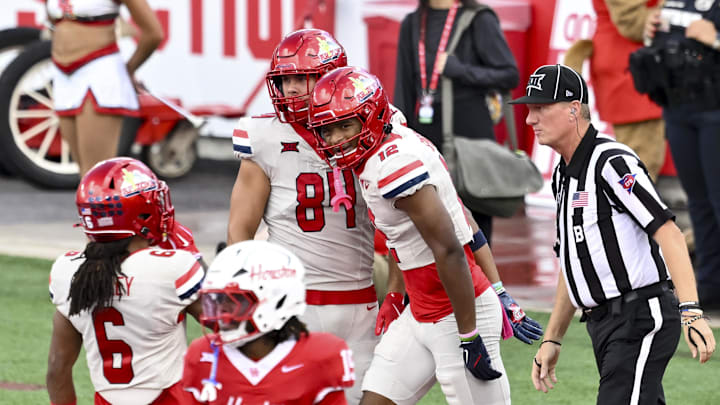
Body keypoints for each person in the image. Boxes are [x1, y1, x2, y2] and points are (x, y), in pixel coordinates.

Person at [507, 64, 716, 403]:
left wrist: (691, 311)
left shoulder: (611, 161)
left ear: (574, 109)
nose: (530, 119)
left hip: (639, 317)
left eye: (540, 108)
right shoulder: (563, 174)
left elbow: (669, 233)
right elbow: (571, 262)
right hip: (603, 324)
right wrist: (553, 338)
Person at [308, 66, 510, 405]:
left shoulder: (393, 166)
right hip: (420, 310)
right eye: (328, 129)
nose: (336, 139)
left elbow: (449, 248)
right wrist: (396, 293)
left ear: (371, 119)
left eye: (346, 126)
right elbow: (405, 236)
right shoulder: (391, 135)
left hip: (454, 311)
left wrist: (469, 332)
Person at [227, 28, 407, 404]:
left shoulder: (374, 123)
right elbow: (240, 230)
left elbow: (401, 225)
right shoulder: (264, 136)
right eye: (284, 79)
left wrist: (395, 291)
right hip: (291, 300)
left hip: (360, 302)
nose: (290, 89)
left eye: (300, 77)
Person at [46, 157, 205, 405]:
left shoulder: (68, 272)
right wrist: (195, 258)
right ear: (140, 212)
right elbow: (225, 329)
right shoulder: (172, 267)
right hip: (171, 398)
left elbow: (57, 370)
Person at [393, 0, 519, 243]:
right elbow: (403, 91)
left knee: (475, 224)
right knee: (432, 226)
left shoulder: (478, 18)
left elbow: (508, 74)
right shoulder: (412, 23)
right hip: (428, 135)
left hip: (471, 135)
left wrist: (459, 69)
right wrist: (398, 139)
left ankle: (484, 282)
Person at [180, 240, 355, 404]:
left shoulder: (321, 355)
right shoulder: (202, 355)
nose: (221, 308)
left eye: (234, 299)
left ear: (275, 300)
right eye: (218, 298)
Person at [642, 0, 720, 310]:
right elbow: (659, 44)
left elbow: (704, 36)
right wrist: (651, 32)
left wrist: (713, 39)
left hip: (715, 109)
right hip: (678, 107)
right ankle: (711, 285)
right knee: (698, 202)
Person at [47, 0, 164, 177]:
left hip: (98, 72)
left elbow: (153, 33)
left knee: (96, 176)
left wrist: (130, 69)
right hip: (63, 76)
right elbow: (53, 23)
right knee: (84, 176)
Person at [567, 0, 666, 180]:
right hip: (631, 69)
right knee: (639, 163)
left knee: (641, 163)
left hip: (637, 67)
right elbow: (631, 21)